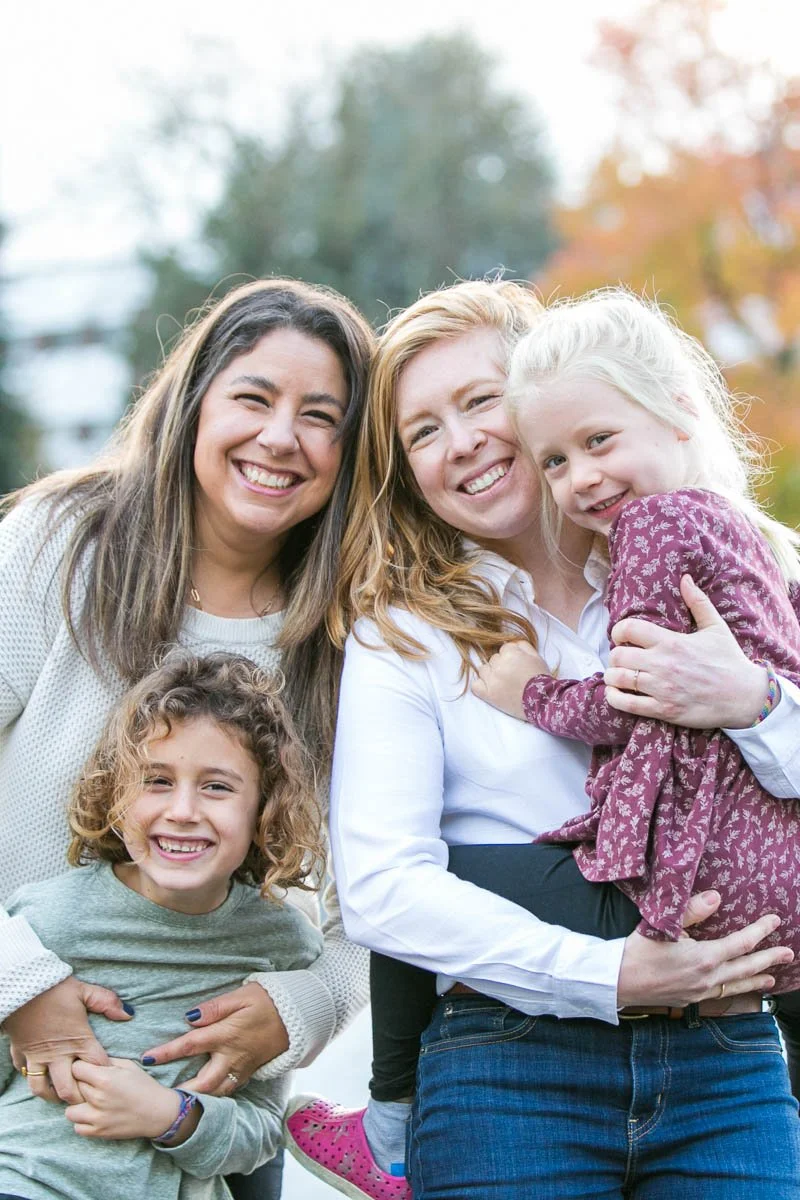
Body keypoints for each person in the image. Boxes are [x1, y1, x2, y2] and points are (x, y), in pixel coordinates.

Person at [285, 279, 800, 1200]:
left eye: (480, 402)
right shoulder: (405, 633)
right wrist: (606, 975)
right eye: (423, 431)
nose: (464, 442)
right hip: (511, 1066)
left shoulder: (743, 555)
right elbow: (382, 887)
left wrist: (754, 701)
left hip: (727, 1055)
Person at [0, 278, 374, 1200]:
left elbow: (385, 885)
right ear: (195, 403)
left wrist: (299, 1009)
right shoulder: (68, 545)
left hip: (207, 1112)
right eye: (253, 398)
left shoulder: (351, 633)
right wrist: (18, 982)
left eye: (320, 416)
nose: (281, 437)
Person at [0, 651, 324, 1200]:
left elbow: (260, 1129)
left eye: (217, 787)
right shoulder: (44, 919)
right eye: (156, 781)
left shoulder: (281, 945)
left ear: (264, 809)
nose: (182, 809)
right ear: (116, 796)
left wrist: (170, 1116)